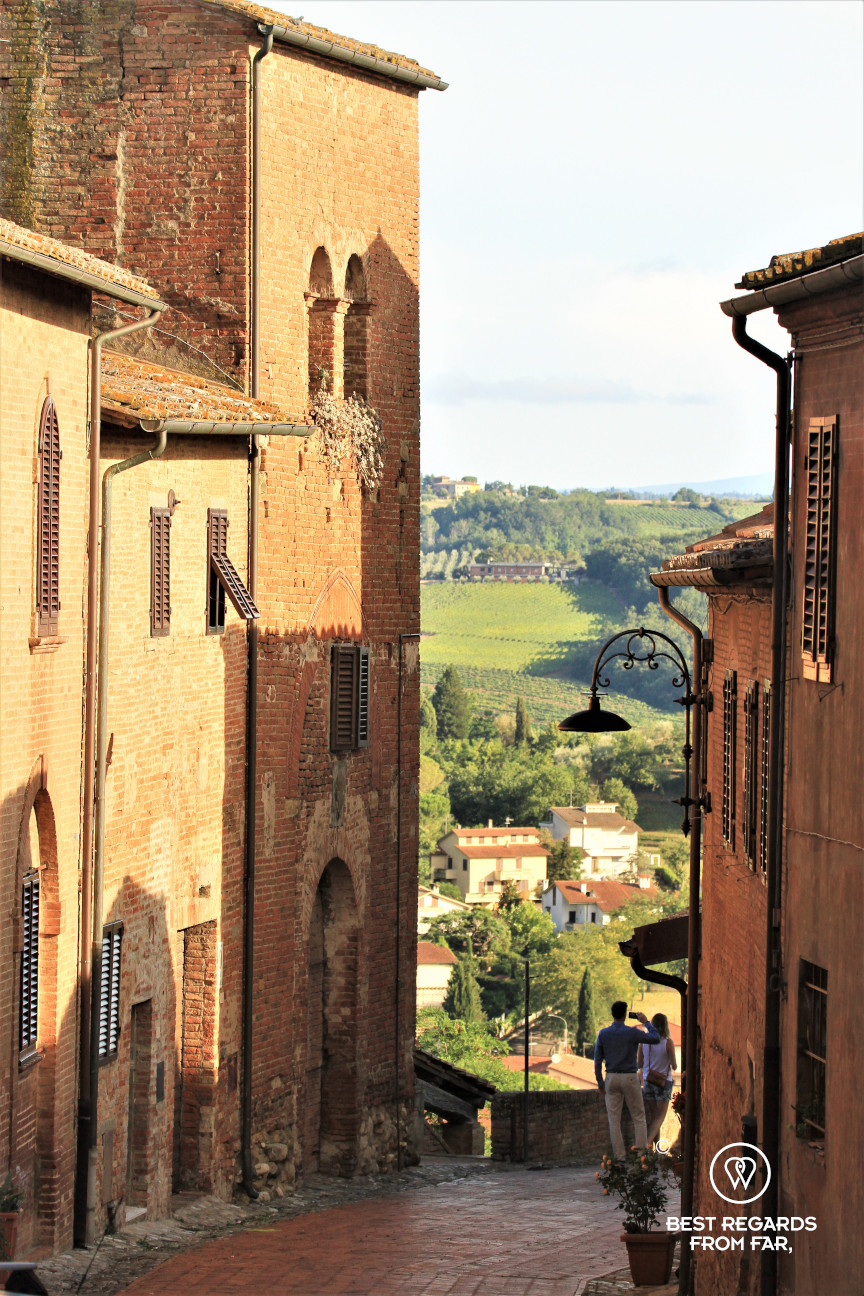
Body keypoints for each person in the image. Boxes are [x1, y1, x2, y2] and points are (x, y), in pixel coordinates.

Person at [594, 1001, 661, 1159]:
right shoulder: (632, 1032)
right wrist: (645, 1022)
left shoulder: (603, 1034)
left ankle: (620, 1157)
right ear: (625, 1014)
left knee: (614, 1121)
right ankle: (641, 1155)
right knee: (639, 1117)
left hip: (611, 1077)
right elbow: (655, 1038)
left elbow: (597, 1060)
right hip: (630, 1077)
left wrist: (600, 1083)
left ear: (613, 1014)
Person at [637, 1013, 677, 1147]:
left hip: (648, 1081)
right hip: (664, 1082)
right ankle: (646, 1143)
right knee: (660, 1116)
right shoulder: (668, 1042)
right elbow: (674, 1065)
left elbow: (639, 1063)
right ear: (665, 1025)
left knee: (654, 1117)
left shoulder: (644, 1042)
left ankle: (656, 1150)